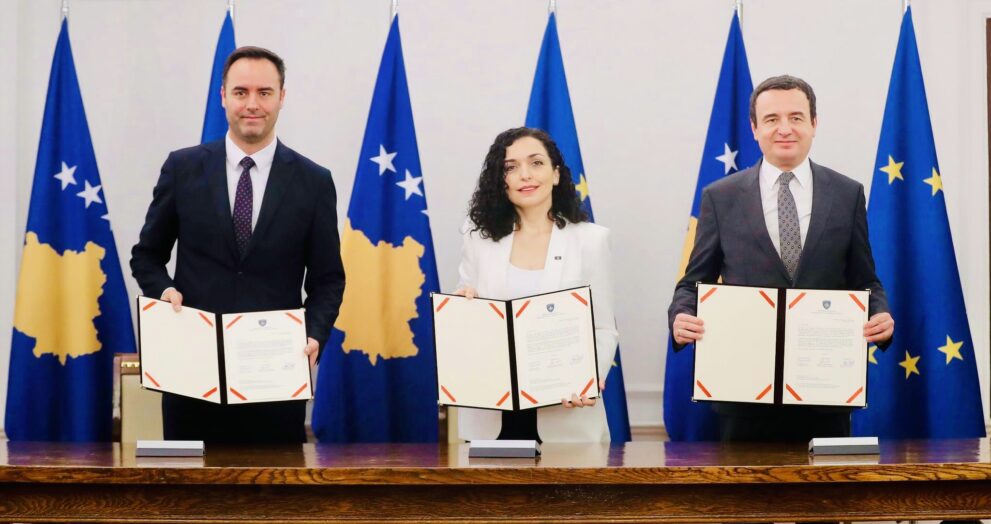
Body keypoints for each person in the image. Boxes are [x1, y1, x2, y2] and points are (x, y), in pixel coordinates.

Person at [130, 46, 345, 443]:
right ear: (223, 96)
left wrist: (315, 333)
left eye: (264, 92)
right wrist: (163, 290)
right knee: (189, 485)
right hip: (191, 375)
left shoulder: (314, 182)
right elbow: (146, 256)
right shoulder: (182, 168)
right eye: (241, 92)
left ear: (282, 97)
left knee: (273, 485)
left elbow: (328, 279)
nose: (252, 104)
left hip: (274, 380)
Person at [667, 75, 894, 442]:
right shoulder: (720, 198)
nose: (784, 129)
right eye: (772, 119)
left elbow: (865, 280)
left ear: (814, 124)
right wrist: (681, 315)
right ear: (754, 128)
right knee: (748, 484)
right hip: (744, 396)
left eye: (796, 117)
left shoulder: (847, 194)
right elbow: (692, 284)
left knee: (828, 484)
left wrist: (879, 314)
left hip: (825, 395)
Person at [455, 127, 618, 443]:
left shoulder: (591, 241)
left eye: (536, 163)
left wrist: (588, 378)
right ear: (500, 180)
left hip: (566, 421)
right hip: (490, 418)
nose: (525, 175)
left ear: (556, 174)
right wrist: (463, 306)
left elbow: (603, 327)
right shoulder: (477, 238)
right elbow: (466, 309)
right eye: (511, 167)